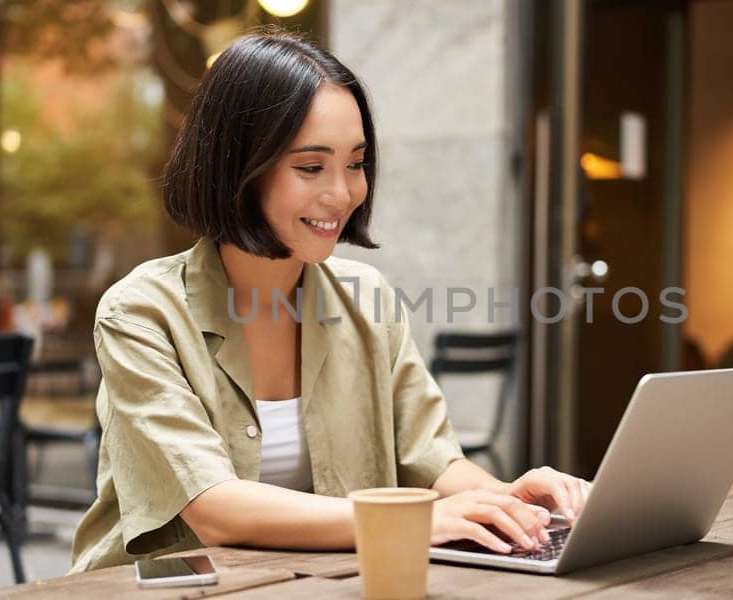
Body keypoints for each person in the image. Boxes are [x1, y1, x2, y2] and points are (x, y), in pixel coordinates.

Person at [69, 30, 590, 573]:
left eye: (356, 163)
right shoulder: (141, 312)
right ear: (237, 168)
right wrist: (406, 521)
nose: (342, 194)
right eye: (311, 167)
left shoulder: (368, 300)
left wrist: (510, 504)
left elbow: (434, 463)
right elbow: (215, 508)